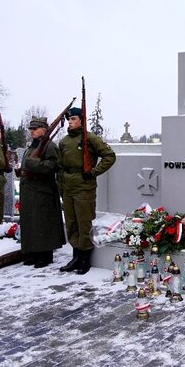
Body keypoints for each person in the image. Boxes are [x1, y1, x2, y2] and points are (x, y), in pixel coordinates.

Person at [58, 107, 116, 275]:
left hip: (84, 186)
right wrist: (61, 187)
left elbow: (109, 156)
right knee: (71, 223)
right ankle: (76, 256)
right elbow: (60, 167)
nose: (70, 122)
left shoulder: (91, 139)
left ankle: (85, 259)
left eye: (73, 119)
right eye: (69, 119)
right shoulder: (64, 141)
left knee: (84, 222)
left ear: (81, 120)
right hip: (68, 186)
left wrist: (93, 172)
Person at [18, 116, 66, 268]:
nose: (32, 131)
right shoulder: (31, 147)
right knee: (31, 223)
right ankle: (33, 253)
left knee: (43, 223)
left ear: (44, 130)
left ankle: (45, 255)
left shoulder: (49, 146)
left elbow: (53, 166)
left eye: (35, 129)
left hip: (42, 189)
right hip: (29, 189)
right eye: (31, 129)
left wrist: (34, 165)